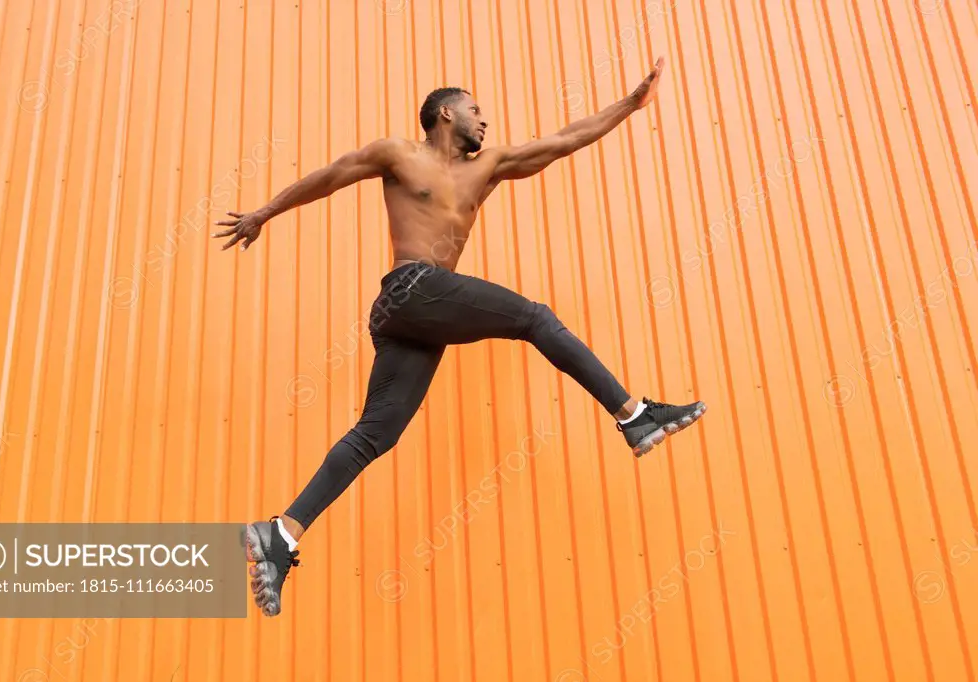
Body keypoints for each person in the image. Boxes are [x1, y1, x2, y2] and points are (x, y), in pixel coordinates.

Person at [212, 56, 706, 617]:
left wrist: (629, 103)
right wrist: (264, 213)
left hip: (421, 317)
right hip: (410, 288)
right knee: (536, 318)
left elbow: (566, 139)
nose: (485, 120)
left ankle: (280, 536)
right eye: (475, 109)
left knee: (377, 433)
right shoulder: (397, 154)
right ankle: (634, 414)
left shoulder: (488, 165)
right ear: (445, 113)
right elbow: (329, 176)